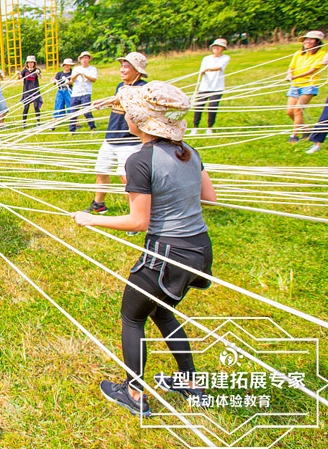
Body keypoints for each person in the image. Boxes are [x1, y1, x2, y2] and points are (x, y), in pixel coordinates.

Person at [71, 81, 217, 418]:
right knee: (162, 311)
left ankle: (134, 393)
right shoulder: (189, 151)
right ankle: (191, 382)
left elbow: (139, 221)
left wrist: (90, 220)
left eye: (129, 115)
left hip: (166, 255)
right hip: (199, 249)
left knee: (132, 316)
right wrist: (156, 186)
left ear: (138, 122)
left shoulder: (141, 159)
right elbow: (209, 197)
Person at [84, 52, 149, 216]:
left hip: (129, 142)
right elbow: (119, 98)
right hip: (110, 139)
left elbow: (126, 97)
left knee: (127, 179)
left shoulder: (143, 88)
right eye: (122, 66)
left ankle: (136, 215)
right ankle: (99, 204)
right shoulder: (121, 86)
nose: (122, 69)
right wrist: (104, 103)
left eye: (126, 66)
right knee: (101, 171)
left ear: (137, 70)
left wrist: (107, 100)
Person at [286, 30, 328, 143]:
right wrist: (290, 74)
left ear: (317, 42)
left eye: (311, 39)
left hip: (309, 85)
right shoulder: (298, 53)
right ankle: (306, 130)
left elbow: (313, 69)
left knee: (298, 110)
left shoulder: (321, 54)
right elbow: (291, 67)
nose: (307, 41)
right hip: (295, 85)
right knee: (290, 111)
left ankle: (294, 135)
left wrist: (295, 76)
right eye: (306, 39)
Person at [189, 39, 230, 136]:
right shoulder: (206, 58)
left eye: (219, 46)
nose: (216, 48)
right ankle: (195, 128)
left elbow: (219, 67)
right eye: (214, 46)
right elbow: (201, 71)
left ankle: (209, 128)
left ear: (223, 48)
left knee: (212, 107)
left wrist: (207, 69)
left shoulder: (225, 58)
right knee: (199, 107)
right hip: (204, 87)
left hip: (217, 87)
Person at [69, 51, 98, 132]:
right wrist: (78, 74)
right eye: (82, 58)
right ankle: (72, 130)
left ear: (89, 59)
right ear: (80, 60)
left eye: (86, 58)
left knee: (86, 111)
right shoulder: (76, 69)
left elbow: (93, 79)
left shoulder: (93, 69)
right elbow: (72, 79)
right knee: (73, 112)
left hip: (86, 93)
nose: (84, 60)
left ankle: (93, 128)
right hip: (76, 93)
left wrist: (85, 75)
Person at [20, 55, 43, 128]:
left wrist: (38, 73)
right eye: (29, 62)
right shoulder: (24, 71)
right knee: (26, 107)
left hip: (35, 90)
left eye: (32, 62)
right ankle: (24, 123)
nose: (30, 64)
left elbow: (40, 76)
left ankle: (38, 122)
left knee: (36, 106)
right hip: (27, 91)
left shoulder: (37, 70)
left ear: (34, 63)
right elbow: (20, 77)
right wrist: (18, 74)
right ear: (27, 63)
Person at [52, 58, 74, 126]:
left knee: (71, 106)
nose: (67, 66)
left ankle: (75, 123)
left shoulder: (72, 73)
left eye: (68, 65)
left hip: (68, 91)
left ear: (71, 66)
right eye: (65, 65)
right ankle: (53, 124)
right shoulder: (59, 74)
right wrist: (54, 81)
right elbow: (55, 82)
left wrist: (69, 82)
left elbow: (73, 81)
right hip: (60, 91)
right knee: (58, 106)